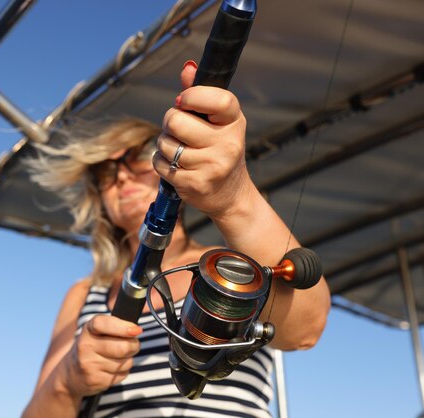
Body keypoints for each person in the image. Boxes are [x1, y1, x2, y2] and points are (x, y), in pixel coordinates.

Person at [21, 61, 331, 418]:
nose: (122, 177)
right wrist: (68, 378)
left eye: (135, 158)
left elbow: (306, 330)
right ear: (98, 196)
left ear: (169, 162)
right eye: (106, 172)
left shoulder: (236, 266)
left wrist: (233, 196)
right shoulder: (84, 295)